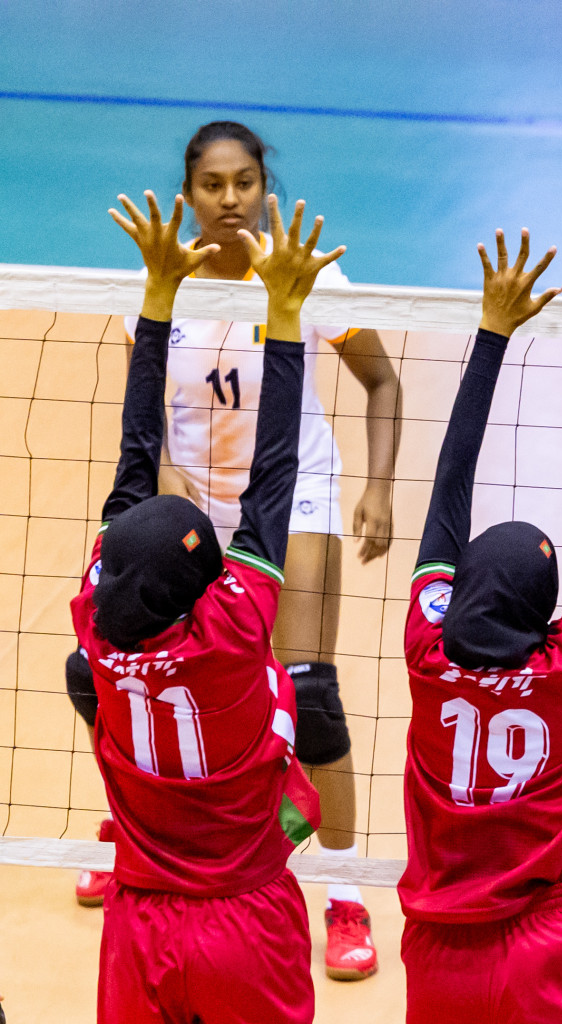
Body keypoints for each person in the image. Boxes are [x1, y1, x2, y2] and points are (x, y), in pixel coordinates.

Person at [67, 120, 399, 979]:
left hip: (298, 498)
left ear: (265, 189)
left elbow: (383, 381)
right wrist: (166, 482)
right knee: (105, 670)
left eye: (244, 182)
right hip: (191, 511)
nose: (229, 199)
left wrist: (378, 486)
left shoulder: (300, 277)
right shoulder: (163, 280)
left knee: (312, 699)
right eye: (212, 185)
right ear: (188, 196)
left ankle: (342, 890)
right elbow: (149, 409)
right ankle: (145, 833)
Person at [397, 230, 562, 1022]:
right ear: (549, 609)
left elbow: (448, 489)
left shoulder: (427, 647)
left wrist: (491, 332)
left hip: (438, 950)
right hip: (547, 944)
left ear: (456, 587)